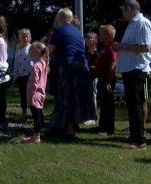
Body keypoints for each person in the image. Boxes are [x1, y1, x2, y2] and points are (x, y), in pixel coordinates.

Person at [113, 0, 151, 150]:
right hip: (130, 69)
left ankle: (139, 140)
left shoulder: (142, 23)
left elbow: (145, 47)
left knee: (136, 105)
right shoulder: (133, 24)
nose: (122, 13)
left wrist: (122, 46)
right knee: (132, 105)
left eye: (123, 10)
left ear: (129, 8)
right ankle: (134, 135)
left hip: (138, 69)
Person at [48, 8, 95, 138]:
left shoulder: (58, 31)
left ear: (61, 19)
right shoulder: (78, 32)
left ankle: (68, 130)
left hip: (68, 67)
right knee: (77, 97)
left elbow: (49, 51)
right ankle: (72, 125)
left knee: (66, 97)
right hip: (82, 67)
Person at [20, 42, 49, 144]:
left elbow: (34, 84)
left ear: (37, 51)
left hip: (34, 93)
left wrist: (31, 97)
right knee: (39, 113)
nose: (29, 51)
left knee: (36, 114)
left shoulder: (35, 66)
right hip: (41, 93)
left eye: (31, 49)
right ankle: (41, 130)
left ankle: (36, 136)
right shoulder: (43, 63)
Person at [94, 25, 117, 136]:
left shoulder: (111, 47)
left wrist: (109, 80)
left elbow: (113, 64)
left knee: (108, 104)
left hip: (107, 79)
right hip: (102, 77)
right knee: (103, 103)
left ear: (107, 35)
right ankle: (102, 126)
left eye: (101, 33)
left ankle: (109, 128)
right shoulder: (104, 47)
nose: (99, 35)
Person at [13, 28, 33, 120]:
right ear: (20, 38)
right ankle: (24, 112)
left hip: (30, 75)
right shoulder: (18, 49)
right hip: (22, 76)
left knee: (31, 94)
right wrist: (15, 75)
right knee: (23, 94)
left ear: (29, 37)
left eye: (27, 37)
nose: (25, 39)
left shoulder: (31, 48)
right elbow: (16, 63)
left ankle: (34, 111)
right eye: (23, 37)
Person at [84, 31, 100, 125]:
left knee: (93, 95)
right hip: (85, 76)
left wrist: (89, 67)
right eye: (86, 38)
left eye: (89, 38)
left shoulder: (96, 53)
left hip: (93, 77)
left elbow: (99, 66)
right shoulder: (85, 52)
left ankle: (93, 116)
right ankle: (86, 115)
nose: (86, 39)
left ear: (94, 41)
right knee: (86, 96)